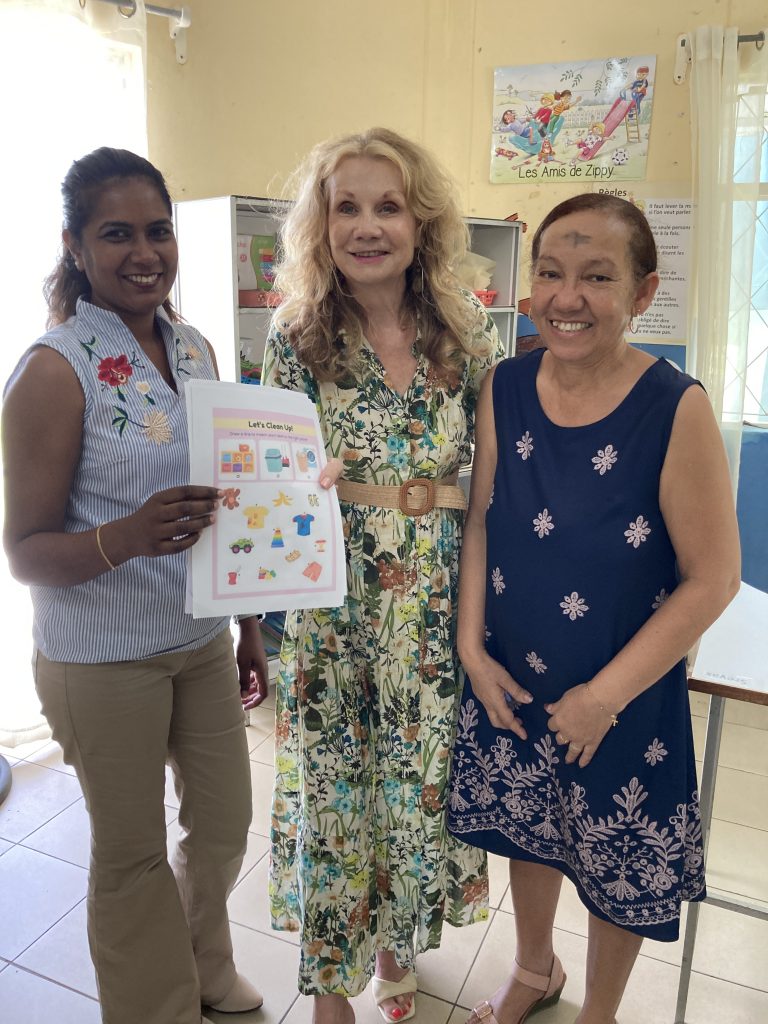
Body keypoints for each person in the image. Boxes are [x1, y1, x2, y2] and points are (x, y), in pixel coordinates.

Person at [447, 193, 740, 1024]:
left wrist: (603, 698)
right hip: (513, 676)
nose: (566, 298)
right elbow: (481, 519)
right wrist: (472, 649)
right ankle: (534, 969)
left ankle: (599, 1012)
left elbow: (713, 578)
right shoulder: (503, 385)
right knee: (528, 835)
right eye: (550, 273)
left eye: (597, 277)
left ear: (642, 293)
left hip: (622, 694)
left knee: (616, 860)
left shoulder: (675, 406)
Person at [2, 147, 269, 1024]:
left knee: (223, 824)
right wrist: (125, 537)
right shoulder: (53, 369)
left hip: (197, 639)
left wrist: (248, 626)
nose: (145, 253)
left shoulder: (193, 347)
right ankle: (157, 1010)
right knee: (131, 856)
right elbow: (24, 552)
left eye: (159, 231)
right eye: (117, 234)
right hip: (100, 660)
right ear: (76, 246)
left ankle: (202, 966)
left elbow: (225, 501)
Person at [262, 127, 501, 1024]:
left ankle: (398, 946)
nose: (368, 226)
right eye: (347, 207)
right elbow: (265, 483)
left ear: (421, 222)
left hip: (434, 608)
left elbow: (489, 489)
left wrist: (477, 627)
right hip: (334, 605)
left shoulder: (466, 335)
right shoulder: (296, 337)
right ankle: (330, 986)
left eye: (389, 206)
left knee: (412, 788)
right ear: (321, 226)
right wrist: (297, 486)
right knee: (336, 792)